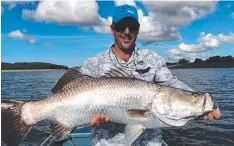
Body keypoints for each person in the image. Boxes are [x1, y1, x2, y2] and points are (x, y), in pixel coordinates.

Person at [54, 4, 221, 146]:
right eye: (121, 26)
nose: (127, 32)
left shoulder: (152, 58)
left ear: (138, 30)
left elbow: (171, 83)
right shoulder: (94, 63)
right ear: (113, 30)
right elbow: (65, 93)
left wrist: (197, 104)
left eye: (132, 27)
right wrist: (87, 117)